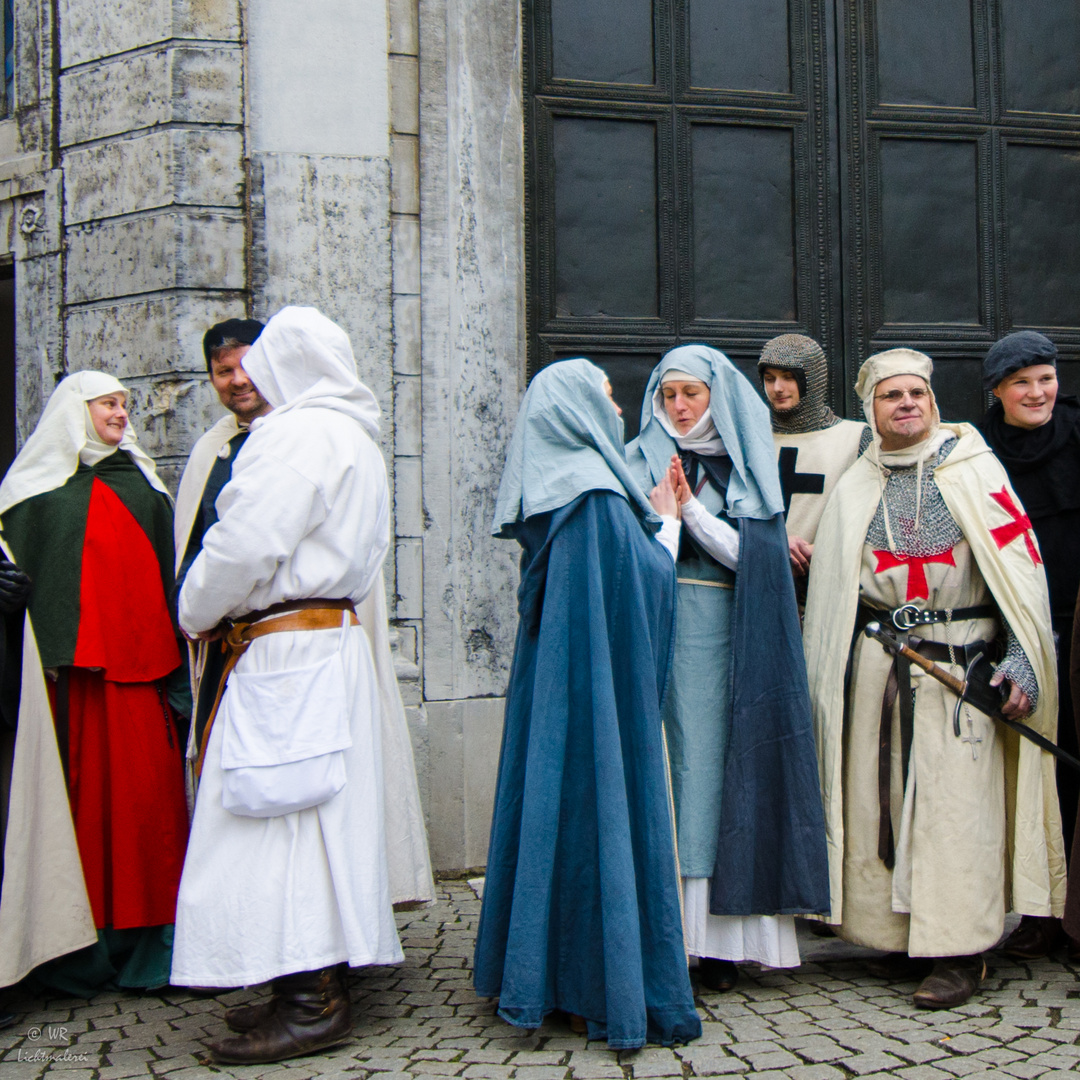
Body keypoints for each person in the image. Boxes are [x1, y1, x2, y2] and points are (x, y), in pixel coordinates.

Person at [170, 306, 431, 1066]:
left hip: (284, 652)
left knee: (272, 821)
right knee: (314, 822)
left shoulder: (293, 437)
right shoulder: (352, 435)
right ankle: (304, 979)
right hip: (326, 647)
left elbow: (242, 543)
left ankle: (312, 1001)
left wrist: (192, 607)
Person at [804, 348, 1065, 1008]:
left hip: (962, 665)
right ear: (873, 408)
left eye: (916, 392)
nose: (907, 404)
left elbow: (1016, 580)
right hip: (879, 666)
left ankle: (960, 949)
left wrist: (1020, 660)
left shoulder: (973, 471)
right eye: (892, 396)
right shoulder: (858, 483)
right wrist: (894, 627)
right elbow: (848, 587)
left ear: (933, 399)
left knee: (955, 810)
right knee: (880, 803)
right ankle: (897, 935)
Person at [473, 358, 701, 1050]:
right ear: (575, 410)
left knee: (551, 815)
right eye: (607, 395)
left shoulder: (550, 495)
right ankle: (594, 985)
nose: (619, 410)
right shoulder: (596, 497)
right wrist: (665, 525)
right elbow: (640, 591)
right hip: (594, 699)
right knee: (597, 819)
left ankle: (538, 976)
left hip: (556, 693)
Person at [625, 344, 830, 992]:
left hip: (721, 639)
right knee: (659, 775)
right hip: (649, 632)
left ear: (716, 396)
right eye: (668, 395)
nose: (679, 407)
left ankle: (716, 940)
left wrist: (689, 512)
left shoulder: (745, 464)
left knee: (713, 778)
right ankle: (656, 933)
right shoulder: (635, 461)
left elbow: (757, 560)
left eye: (692, 394)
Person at [0, 371, 189, 995]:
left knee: (144, 815)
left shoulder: (146, 486)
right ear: (75, 412)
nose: (120, 413)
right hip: (66, 684)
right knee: (70, 814)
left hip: (140, 679)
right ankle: (71, 953)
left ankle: (149, 952)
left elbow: (171, 570)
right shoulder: (33, 495)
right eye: (108, 403)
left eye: (125, 404)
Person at [978, 331, 1080, 960]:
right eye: (1022, 383)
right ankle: (1040, 910)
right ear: (997, 391)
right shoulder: (975, 452)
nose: (1037, 392)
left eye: (1044, 378)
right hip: (1011, 627)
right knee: (1031, 774)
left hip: (1079, 620)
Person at [757, 334, 870, 578]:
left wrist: (818, 551)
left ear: (812, 379)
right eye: (769, 378)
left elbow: (872, 515)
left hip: (830, 576)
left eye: (789, 377)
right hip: (762, 574)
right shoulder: (751, 440)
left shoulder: (857, 438)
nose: (777, 388)